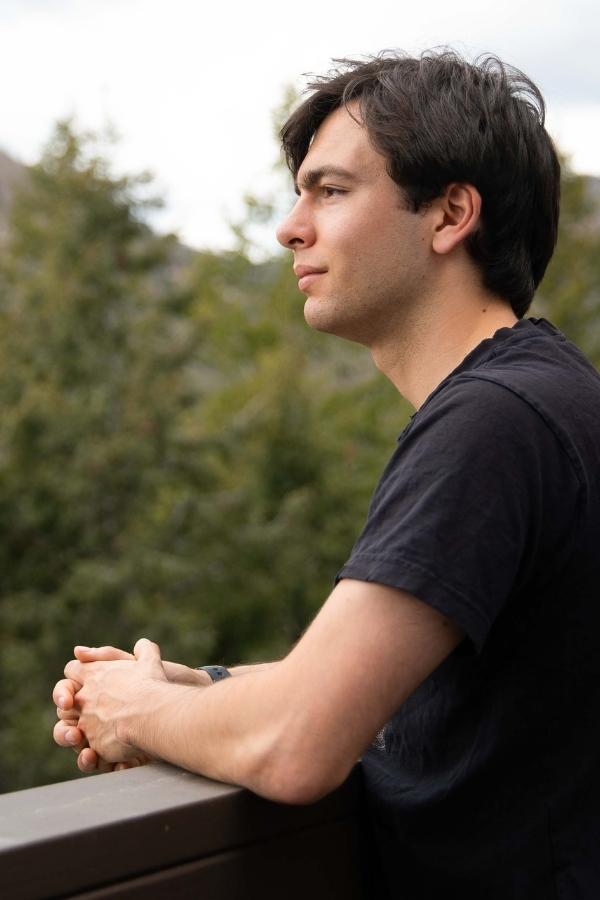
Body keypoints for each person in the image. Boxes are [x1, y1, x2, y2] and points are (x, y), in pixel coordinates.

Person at [53, 50, 600, 898]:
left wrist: (139, 710)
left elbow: (297, 745)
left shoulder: (495, 423)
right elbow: (430, 685)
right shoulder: (548, 397)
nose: (290, 227)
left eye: (332, 191)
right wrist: (201, 690)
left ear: (451, 214)